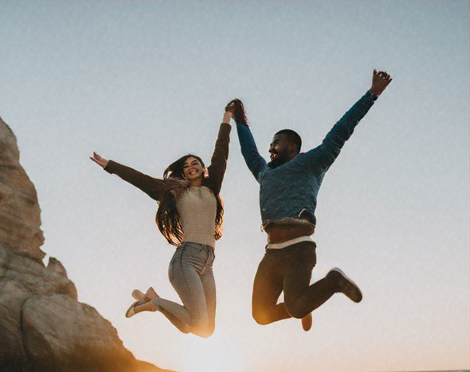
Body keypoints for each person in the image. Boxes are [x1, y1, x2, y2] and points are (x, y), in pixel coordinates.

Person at [228, 70, 392, 331]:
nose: (270, 148)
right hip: (271, 254)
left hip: (298, 250)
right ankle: (306, 302)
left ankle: (332, 282)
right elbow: (249, 150)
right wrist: (239, 117)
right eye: (270, 144)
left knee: (296, 306)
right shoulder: (264, 173)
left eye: (276, 143)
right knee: (261, 315)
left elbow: (342, 130)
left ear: (292, 147)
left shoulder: (312, 163)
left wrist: (372, 94)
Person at [90, 107, 233, 338]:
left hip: (208, 263)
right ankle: (153, 302)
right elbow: (141, 180)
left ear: (203, 168)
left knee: (206, 330)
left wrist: (227, 119)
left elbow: (221, 152)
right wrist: (110, 166)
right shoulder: (174, 193)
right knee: (197, 323)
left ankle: (151, 300)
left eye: (195, 162)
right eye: (186, 165)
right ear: (183, 173)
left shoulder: (212, 186)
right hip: (186, 259)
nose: (191, 166)